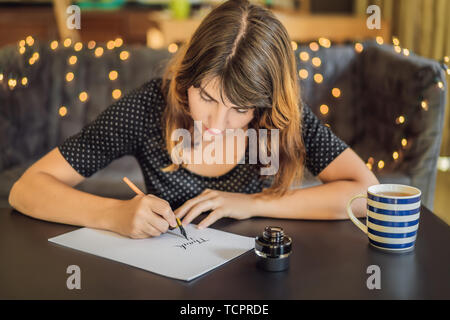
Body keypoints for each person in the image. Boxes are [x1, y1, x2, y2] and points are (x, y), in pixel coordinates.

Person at [8, 0, 379, 239]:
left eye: (239, 109)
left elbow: (366, 194)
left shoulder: (278, 118)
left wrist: (253, 203)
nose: (216, 122)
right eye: (206, 96)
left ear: (264, 105)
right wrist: (114, 214)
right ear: (186, 79)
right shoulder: (151, 106)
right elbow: (26, 189)